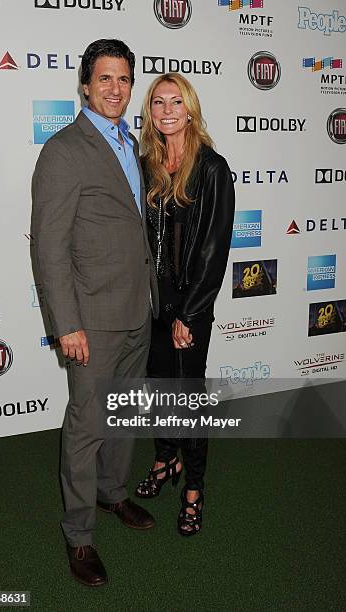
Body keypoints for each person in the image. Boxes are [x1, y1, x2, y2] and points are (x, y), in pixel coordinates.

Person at [32, 39, 158, 587]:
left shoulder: (131, 143)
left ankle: (113, 494)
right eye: (104, 78)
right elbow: (49, 246)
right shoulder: (64, 149)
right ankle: (79, 535)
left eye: (124, 79)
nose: (115, 89)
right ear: (84, 84)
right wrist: (67, 323)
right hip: (92, 318)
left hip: (138, 309)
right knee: (86, 424)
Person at [135, 73, 235, 536]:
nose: (168, 109)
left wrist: (189, 315)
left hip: (189, 303)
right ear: (150, 112)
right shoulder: (148, 162)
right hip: (152, 301)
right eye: (159, 102)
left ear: (190, 109)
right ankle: (164, 459)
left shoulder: (212, 167)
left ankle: (193, 488)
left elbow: (214, 249)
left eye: (177, 101)